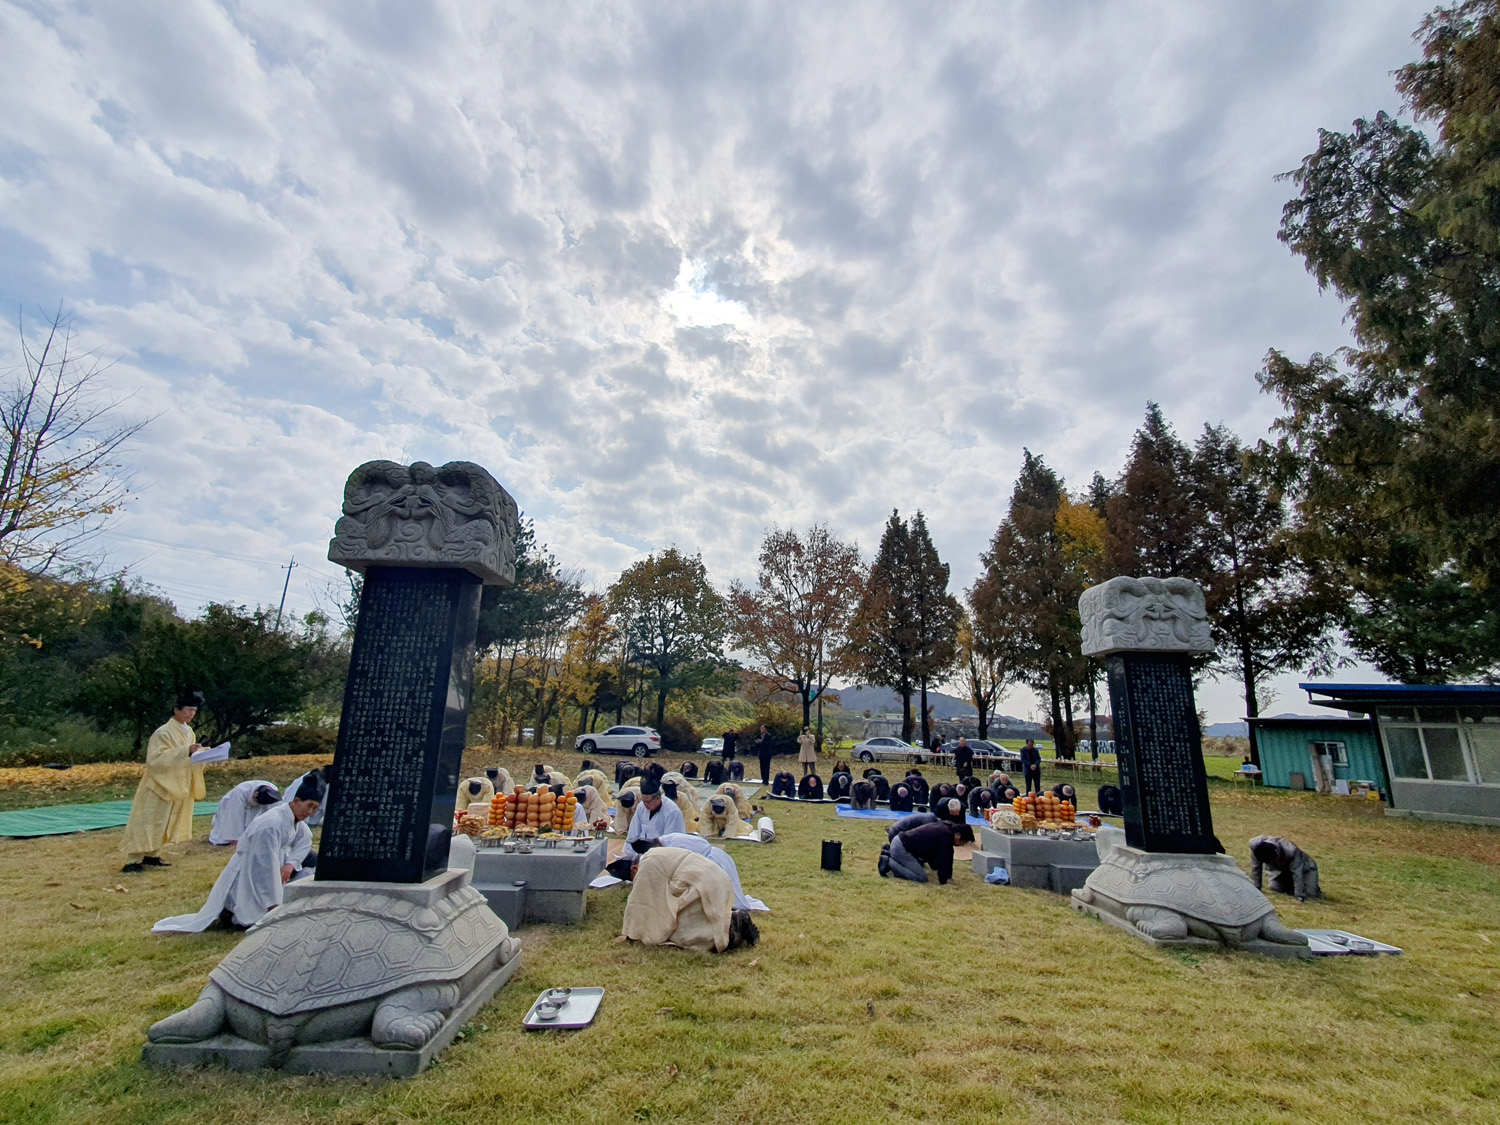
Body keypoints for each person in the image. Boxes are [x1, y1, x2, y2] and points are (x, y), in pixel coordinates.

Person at [153, 773, 326, 933]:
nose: (310, 812)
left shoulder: (293, 820)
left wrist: (290, 864)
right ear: (296, 801)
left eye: (315, 808)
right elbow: (264, 866)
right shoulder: (271, 824)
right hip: (252, 867)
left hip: (269, 864)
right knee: (249, 908)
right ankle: (231, 916)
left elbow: (305, 840)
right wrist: (273, 905)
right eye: (308, 806)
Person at [121, 692, 209, 873]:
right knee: (147, 820)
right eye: (188, 710)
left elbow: (188, 757)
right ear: (177, 710)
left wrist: (202, 754)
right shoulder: (163, 732)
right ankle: (133, 859)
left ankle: (152, 854)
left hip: (177, 781)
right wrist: (185, 751)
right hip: (158, 783)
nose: (191, 714)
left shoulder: (189, 732)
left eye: (194, 711)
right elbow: (155, 759)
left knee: (163, 820)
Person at [620, 846, 759, 952]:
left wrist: (632, 933)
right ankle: (729, 923)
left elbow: (640, 903)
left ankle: (730, 929)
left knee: (682, 934)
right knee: (698, 917)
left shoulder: (647, 865)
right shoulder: (655, 853)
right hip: (716, 878)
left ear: (634, 869)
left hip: (702, 883)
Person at [634, 835, 769, 912]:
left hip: (713, 861)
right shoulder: (668, 839)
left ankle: (736, 907)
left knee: (729, 892)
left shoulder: (672, 844)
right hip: (712, 859)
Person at [617, 775, 684, 867]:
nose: (645, 805)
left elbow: (671, 843)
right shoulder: (641, 806)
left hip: (662, 858)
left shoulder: (672, 812)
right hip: (641, 855)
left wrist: (651, 859)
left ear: (658, 798)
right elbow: (633, 835)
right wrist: (630, 858)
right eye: (643, 801)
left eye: (648, 802)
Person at [879, 819, 959, 884]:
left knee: (919, 863)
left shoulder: (944, 827)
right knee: (920, 877)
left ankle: (888, 851)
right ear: (958, 835)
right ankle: (888, 862)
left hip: (900, 841)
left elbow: (940, 857)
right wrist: (943, 880)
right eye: (964, 842)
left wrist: (947, 875)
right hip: (901, 845)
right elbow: (944, 857)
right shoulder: (945, 835)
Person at [1249, 836, 1321, 903]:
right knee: (1275, 887)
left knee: (1310, 894)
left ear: (1276, 853)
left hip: (1305, 868)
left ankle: (1308, 887)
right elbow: (1256, 869)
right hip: (1282, 871)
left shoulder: (1291, 850)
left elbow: (1297, 874)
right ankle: (1292, 887)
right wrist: (1256, 889)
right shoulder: (1256, 849)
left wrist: (1299, 896)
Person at [208, 780, 280, 846]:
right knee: (224, 830)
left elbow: (271, 814)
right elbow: (235, 816)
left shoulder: (273, 794)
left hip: (258, 808)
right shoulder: (241, 791)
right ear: (256, 793)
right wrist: (235, 839)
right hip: (231, 804)